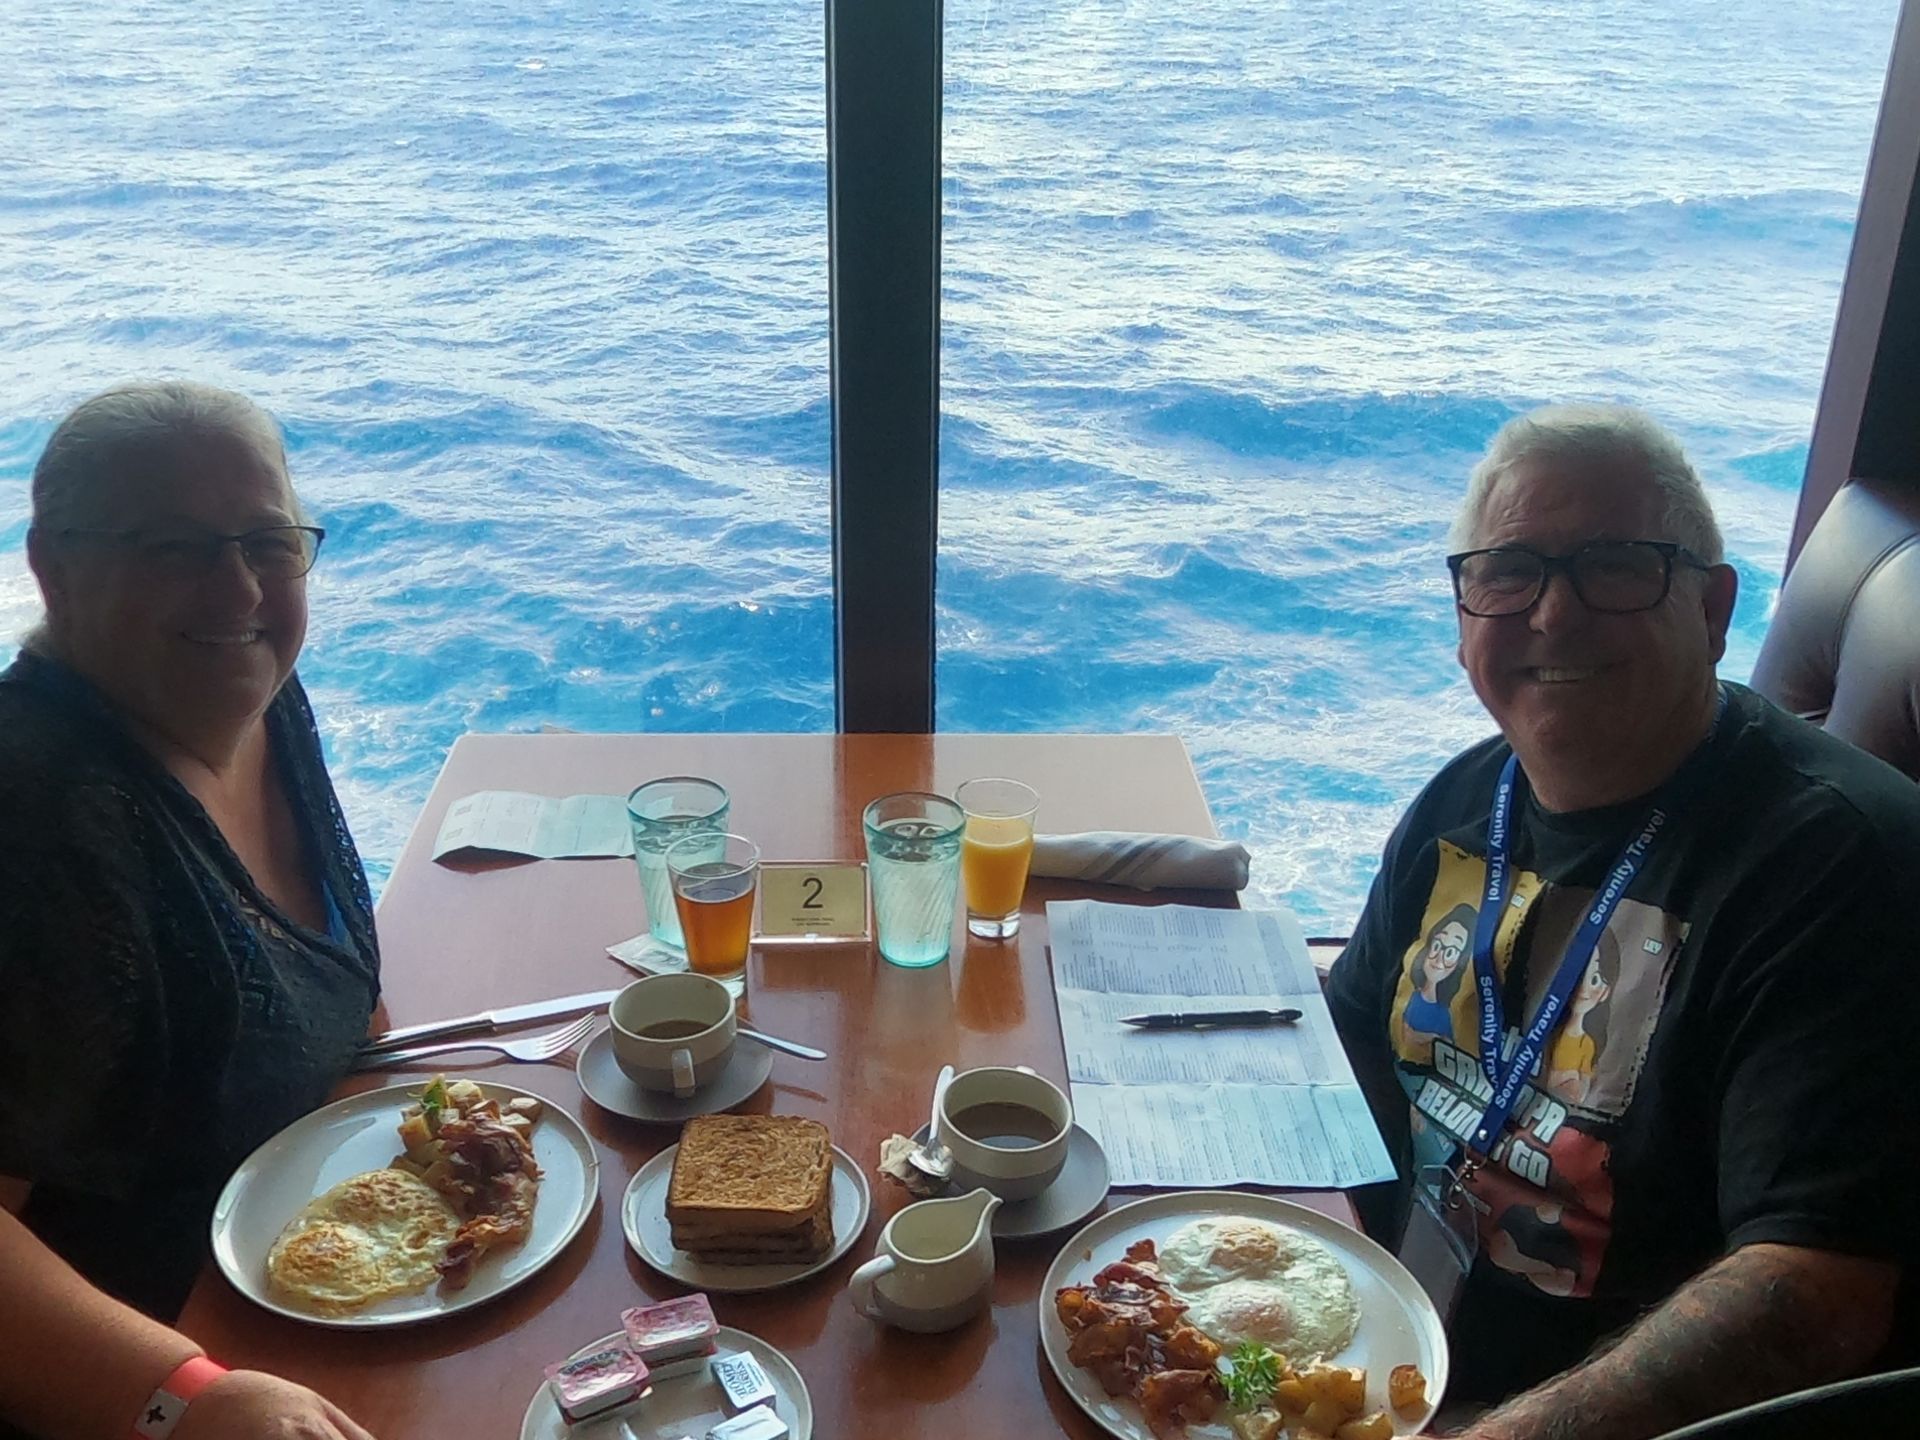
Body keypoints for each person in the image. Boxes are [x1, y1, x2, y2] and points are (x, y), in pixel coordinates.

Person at [1327, 403, 1920, 1439]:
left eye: (1613, 564)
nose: (1552, 616)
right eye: (1509, 570)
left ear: (1714, 607)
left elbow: (1818, 1288)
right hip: (1376, 1354)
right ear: (1465, 609)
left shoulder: (1838, 868)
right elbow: (1339, 1062)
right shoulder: (1466, 802)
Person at [0, 382, 382, 1439]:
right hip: (153, 1372)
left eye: (267, 541)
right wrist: (180, 1397)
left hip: (328, 1276)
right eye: (173, 547)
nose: (237, 590)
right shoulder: (40, 818)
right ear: (53, 564)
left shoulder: (258, 696)